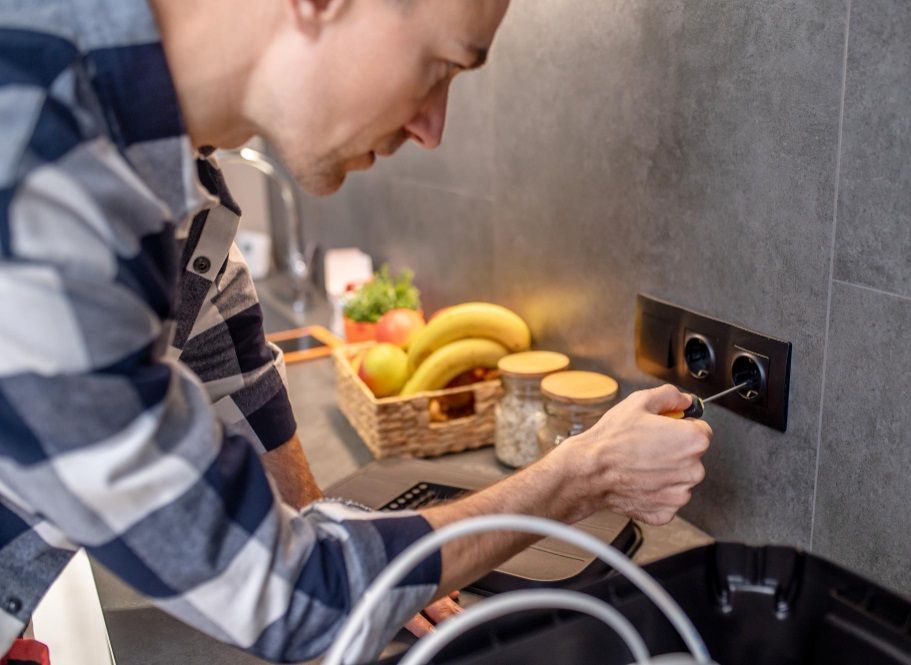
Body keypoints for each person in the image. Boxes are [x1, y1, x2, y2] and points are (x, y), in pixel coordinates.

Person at [0, 0, 713, 662]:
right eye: (442, 66)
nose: (432, 128)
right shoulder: (41, 170)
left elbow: (223, 341)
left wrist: (314, 512)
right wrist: (581, 475)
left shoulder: (149, 138)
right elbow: (288, 595)